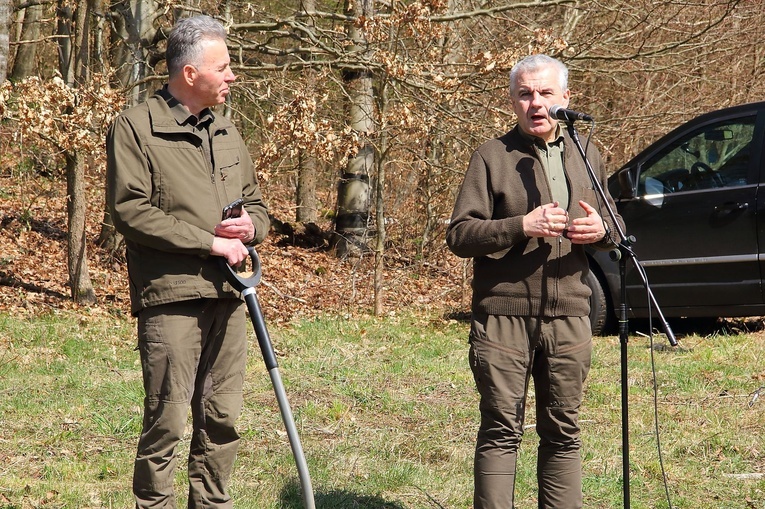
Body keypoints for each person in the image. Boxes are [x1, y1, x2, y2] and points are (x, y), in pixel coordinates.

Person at [106, 15, 270, 509]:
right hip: (172, 296)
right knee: (168, 419)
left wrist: (251, 228)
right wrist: (209, 242)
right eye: (223, 67)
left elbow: (256, 204)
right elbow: (130, 211)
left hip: (231, 294)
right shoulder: (136, 127)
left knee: (221, 419)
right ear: (190, 72)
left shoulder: (226, 130)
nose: (232, 75)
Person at [445, 54, 624, 509]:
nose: (536, 103)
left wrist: (602, 232)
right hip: (503, 316)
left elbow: (618, 229)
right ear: (512, 100)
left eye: (545, 93)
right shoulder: (491, 156)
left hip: (569, 316)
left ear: (566, 98)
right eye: (525, 94)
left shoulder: (587, 154)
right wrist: (519, 226)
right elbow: (460, 235)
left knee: (563, 431)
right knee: (502, 429)